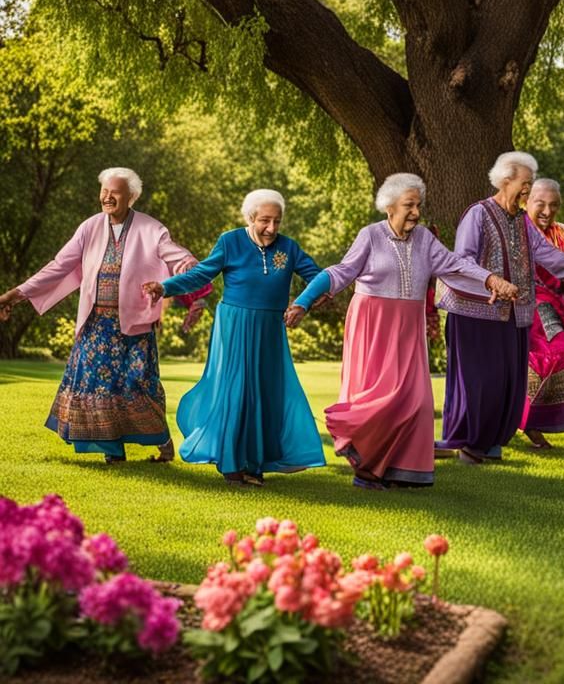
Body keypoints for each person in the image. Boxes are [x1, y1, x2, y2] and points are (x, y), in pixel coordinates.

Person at [284, 174, 516, 490]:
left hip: (409, 327)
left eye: (418, 205)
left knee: (415, 402)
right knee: (380, 401)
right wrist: (304, 301)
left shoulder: (424, 239)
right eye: (409, 205)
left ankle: (401, 470)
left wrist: (491, 280)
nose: (416, 213)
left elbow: (456, 265)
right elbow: (341, 271)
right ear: (389, 206)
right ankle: (367, 469)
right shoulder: (370, 236)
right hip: (373, 325)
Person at [436, 151, 564, 465]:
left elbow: (554, 258)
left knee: (509, 382)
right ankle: (471, 443)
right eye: (525, 183)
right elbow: (461, 261)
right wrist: (492, 280)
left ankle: (490, 442)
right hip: (475, 314)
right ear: (506, 180)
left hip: (513, 315)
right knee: (483, 381)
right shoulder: (478, 214)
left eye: (530, 183)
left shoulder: (521, 221)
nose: (528, 189)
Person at [0, 168, 207, 464]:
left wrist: (193, 280)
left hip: (134, 326)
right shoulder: (90, 227)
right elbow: (58, 266)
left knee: (141, 386)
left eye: (115, 192)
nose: (107, 197)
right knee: (98, 387)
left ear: (131, 197)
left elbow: (178, 258)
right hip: (96, 325)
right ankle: (113, 452)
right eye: (104, 191)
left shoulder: (151, 229)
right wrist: (16, 294)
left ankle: (163, 443)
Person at [141, 189, 325, 485]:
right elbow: (201, 274)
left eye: (277, 221)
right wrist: (166, 287)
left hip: (270, 329)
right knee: (237, 391)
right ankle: (231, 464)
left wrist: (304, 302)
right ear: (250, 218)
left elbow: (319, 277)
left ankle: (254, 464)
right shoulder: (230, 241)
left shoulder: (289, 248)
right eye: (265, 220)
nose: (271, 228)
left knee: (265, 393)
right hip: (235, 324)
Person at [519, 178, 564, 450]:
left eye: (554, 205)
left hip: (563, 305)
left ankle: (528, 420)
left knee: (544, 363)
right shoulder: (519, 231)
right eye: (541, 204)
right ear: (526, 202)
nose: (547, 211)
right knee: (558, 355)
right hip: (532, 305)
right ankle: (528, 421)